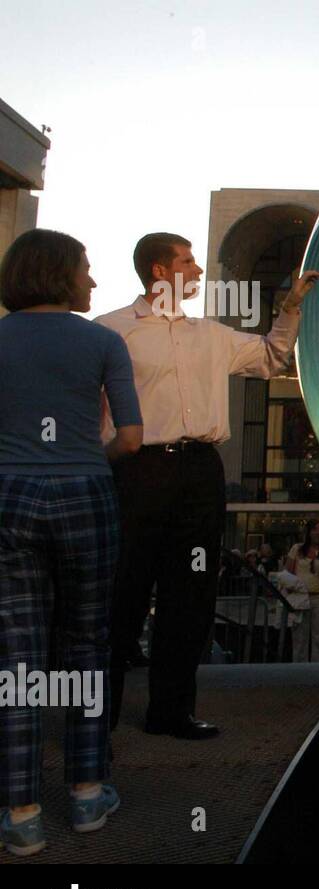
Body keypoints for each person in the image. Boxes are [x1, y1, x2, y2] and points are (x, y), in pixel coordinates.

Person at [97, 232, 319, 737]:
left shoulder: (211, 335)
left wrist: (289, 307)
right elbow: (94, 410)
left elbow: (270, 357)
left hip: (200, 472)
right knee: (123, 592)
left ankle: (170, 712)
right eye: (187, 261)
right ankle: (98, 719)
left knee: (190, 595)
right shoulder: (110, 332)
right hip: (136, 472)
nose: (197, 270)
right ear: (158, 271)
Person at [0, 229, 143, 856]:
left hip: (7, 497)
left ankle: (21, 812)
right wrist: (88, 457)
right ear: (60, 274)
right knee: (88, 644)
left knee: (17, 659)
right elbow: (132, 439)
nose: (93, 280)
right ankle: (87, 793)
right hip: (86, 494)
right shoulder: (104, 343)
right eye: (86, 269)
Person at [286, 519, 319, 663]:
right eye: (315, 529)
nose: (318, 532)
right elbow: (288, 571)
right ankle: (299, 672)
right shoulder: (297, 549)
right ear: (309, 532)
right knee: (299, 638)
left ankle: (318, 670)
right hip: (301, 598)